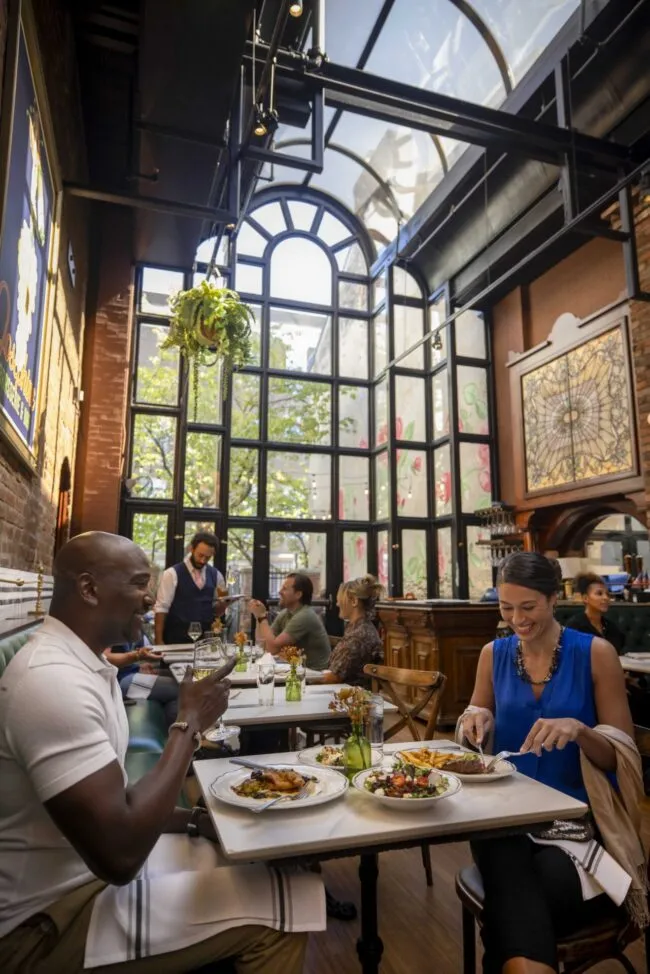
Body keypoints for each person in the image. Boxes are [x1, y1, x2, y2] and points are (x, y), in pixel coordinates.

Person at [0, 532, 324, 974]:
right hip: (43, 924)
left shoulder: (80, 663)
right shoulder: (51, 680)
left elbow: (117, 800)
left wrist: (195, 820)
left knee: (268, 865)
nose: (148, 597)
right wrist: (188, 723)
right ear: (89, 589)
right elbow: (119, 855)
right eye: (138, 583)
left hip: (80, 878)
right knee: (289, 905)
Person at [460, 551, 645, 974]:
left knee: (517, 896)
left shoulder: (596, 653)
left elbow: (623, 756)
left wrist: (581, 730)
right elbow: (473, 722)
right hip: (503, 819)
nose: (517, 620)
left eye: (528, 607)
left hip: (577, 827)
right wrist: (477, 719)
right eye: (506, 608)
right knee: (512, 869)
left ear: (552, 598)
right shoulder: (494, 654)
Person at [154, 531, 228, 644]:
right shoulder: (171, 574)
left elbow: (217, 611)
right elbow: (161, 609)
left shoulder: (216, 575)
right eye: (200, 555)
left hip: (205, 641)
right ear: (191, 548)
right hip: (176, 640)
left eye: (208, 558)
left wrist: (224, 604)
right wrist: (158, 641)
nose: (203, 560)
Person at [249, 573, 331, 671]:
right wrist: (258, 617)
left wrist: (262, 617)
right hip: (296, 671)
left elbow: (272, 649)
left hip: (315, 676)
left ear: (298, 594)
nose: (279, 591)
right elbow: (263, 645)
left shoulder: (305, 616)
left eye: (284, 588)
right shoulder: (286, 613)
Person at [319, 575, 384, 686]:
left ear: (354, 601)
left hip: (349, 698)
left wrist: (302, 676)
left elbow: (333, 677)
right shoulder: (359, 629)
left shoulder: (358, 636)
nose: (337, 603)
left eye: (340, 599)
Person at [105, 638, 180, 726]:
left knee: (179, 680)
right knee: (181, 687)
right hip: (122, 681)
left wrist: (138, 667)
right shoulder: (111, 627)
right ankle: (176, 734)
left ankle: (172, 732)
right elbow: (105, 658)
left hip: (131, 674)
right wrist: (137, 656)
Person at [566, 572, 626, 655]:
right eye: (599, 593)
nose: (606, 598)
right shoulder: (575, 627)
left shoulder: (611, 627)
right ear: (585, 598)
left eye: (607, 594)